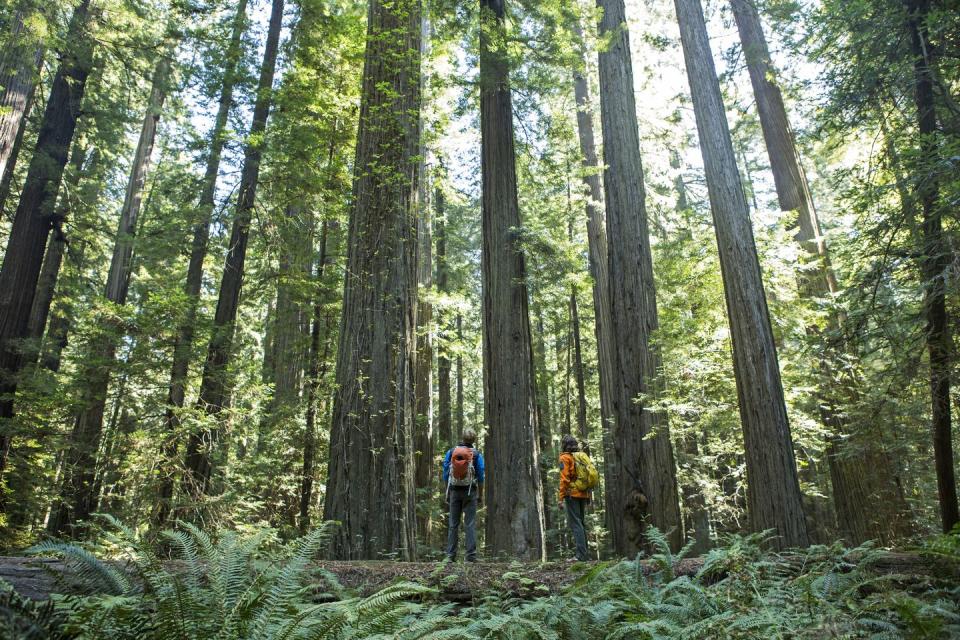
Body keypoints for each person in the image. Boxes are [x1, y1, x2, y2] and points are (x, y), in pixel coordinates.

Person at [442, 429, 485, 562]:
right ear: (474, 440)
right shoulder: (476, 454)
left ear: (462, 438)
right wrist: (480, 494)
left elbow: (445, 471)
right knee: (470, 524)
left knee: (453, 524)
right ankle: (470, 556)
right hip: (470, 491)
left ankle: (450, 556)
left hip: (454, 490)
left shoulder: (451, 452)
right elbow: (481, 475)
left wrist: (447, 491)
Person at [558, 435, 591, 561]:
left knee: (576, 524)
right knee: (581, 523)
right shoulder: (581, 457)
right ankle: (585, 554)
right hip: (583, 493)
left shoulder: (565, 458)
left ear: (564, 445)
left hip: (572, 494)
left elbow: (564, 479)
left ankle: (581, 556)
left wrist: (560, 498)